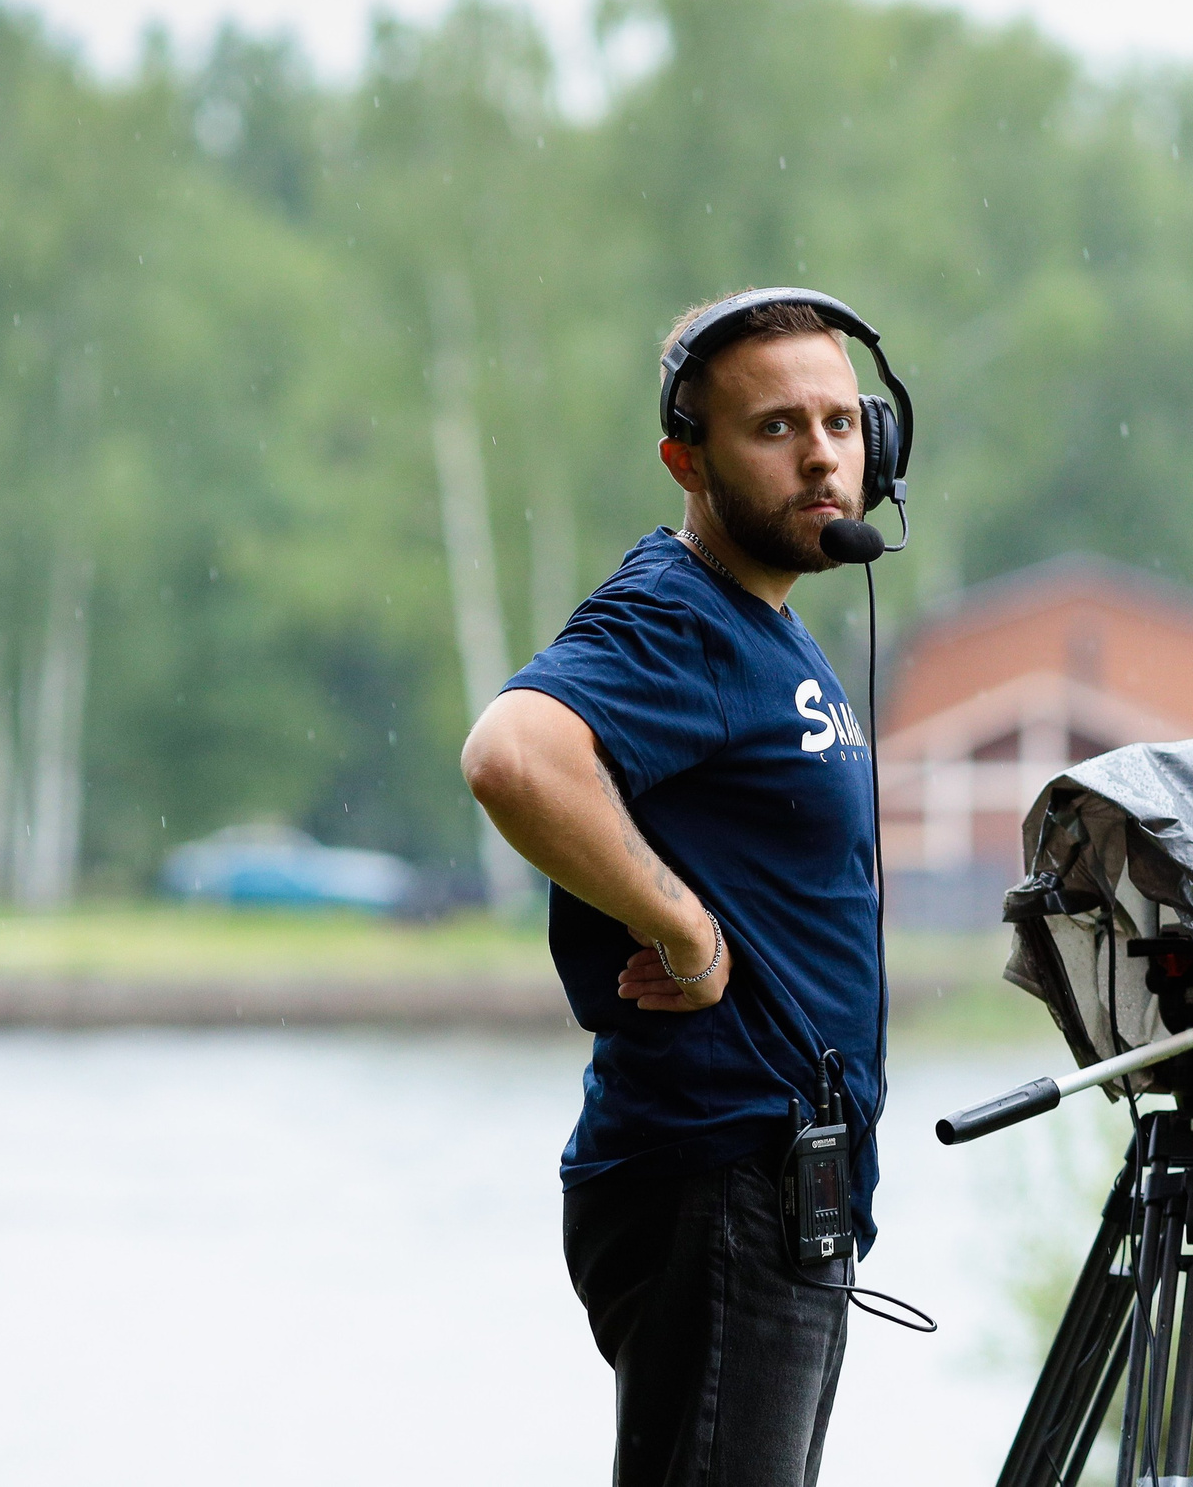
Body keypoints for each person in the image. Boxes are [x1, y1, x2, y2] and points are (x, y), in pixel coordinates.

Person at [461, 292, 887, 1487]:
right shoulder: (676, 618)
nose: (822, 455)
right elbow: (513, 755)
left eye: (843, 423)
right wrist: (685, 929)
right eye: (775, 428)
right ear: (684, 460)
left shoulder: (771, 627)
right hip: (717, 1180)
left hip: (772, 1186)